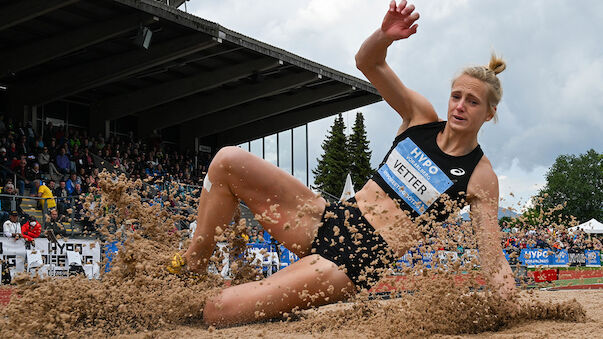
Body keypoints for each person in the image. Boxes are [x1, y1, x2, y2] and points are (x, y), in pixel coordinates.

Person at [168, 1, 516, 327]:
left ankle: (230, 297)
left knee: (218, 311)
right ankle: (194, 267)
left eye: (472, 102)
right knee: (228, 160)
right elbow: (368, 63)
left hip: (351, 263)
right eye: (457, 96)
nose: (460, 106)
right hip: (329, 218)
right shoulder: (420, 119)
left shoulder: (479, 176)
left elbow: (492, 254)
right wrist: (384, 36)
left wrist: (511, 309)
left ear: (489, 113)